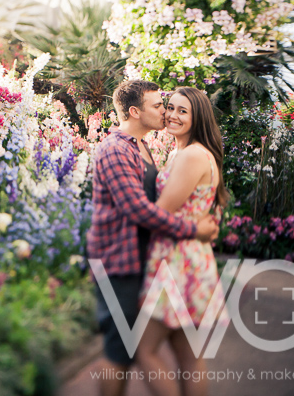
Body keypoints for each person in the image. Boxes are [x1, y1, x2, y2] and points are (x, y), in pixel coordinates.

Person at [88, 80, 219, 396]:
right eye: (160, 105)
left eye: (173, 107)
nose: (165, 112)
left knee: (158, 350)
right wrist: (194, 229)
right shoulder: (117, 149)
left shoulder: (143, 147)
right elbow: (139, 211)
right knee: (121, 350)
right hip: (120, 262)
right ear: (135, 111)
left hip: (159, 260)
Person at [136, 87, 230, 396]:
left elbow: (161, 212)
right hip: (189, 257)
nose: (172, 115)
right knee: (189, 357)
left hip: (178, 262)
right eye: (170, 107)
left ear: (197, 117)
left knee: (144, 349)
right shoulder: (187, 152)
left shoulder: (191, 155)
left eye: (182, 111)